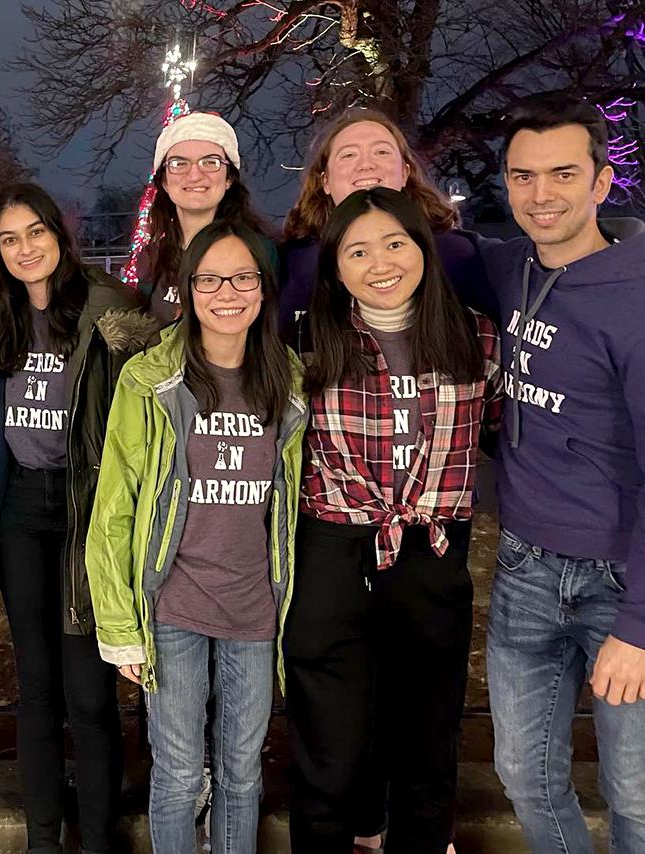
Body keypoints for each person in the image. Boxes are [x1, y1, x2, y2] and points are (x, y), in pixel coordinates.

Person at [281, 108, 498, 853]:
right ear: (334, 266)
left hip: (433, 556)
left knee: (427, 748)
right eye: (359, 250)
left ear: (424, 248)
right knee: (333, 753)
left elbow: (509, 430)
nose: (380, 261)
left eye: (396, 243)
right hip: (335, 550)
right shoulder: (306, 342)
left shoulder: (476, 336)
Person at [87, 220, 306, 854]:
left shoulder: (288, 384)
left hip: (255, 610)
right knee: (180, 773)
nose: (226, 292)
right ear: (188, 290)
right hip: (174, 605)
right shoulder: (149, 382)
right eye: (209, 279)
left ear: (263, 289)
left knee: (242, 774)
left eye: (242, 277)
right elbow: (115, 510)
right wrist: (120, 622)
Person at [482, 92, 645, 853]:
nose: (540, 196)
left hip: (621, 579)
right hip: (524, 569)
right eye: (522, 177)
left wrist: (639, 626)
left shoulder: (635, 300)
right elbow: (397, 252)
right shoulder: (505, 268)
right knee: (526, 776)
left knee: (636, 791)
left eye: (562, 174)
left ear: (602, 182)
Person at [0, 182, 151, 854]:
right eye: (9, 239)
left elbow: (150, 401)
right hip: (22, 508)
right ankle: (43, 839)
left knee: (89, 690)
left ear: (59, 232)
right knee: (37, 688)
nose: (25, 248)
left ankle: (100, 839)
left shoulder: (111, 310)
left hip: (86, 511)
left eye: (35, 232)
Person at [281, 107, 497, 343]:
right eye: (348, 155)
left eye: (382, 152)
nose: (366, 165)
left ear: (405, 173)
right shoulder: (291, 263)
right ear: (325, 181)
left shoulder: (457, 254)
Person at [135, 111, 275, 326]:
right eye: (179, 163)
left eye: (210, 162)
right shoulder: (152, 259)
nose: (194, 175)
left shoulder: (260, 250)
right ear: (164, 181)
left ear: (229, 178)